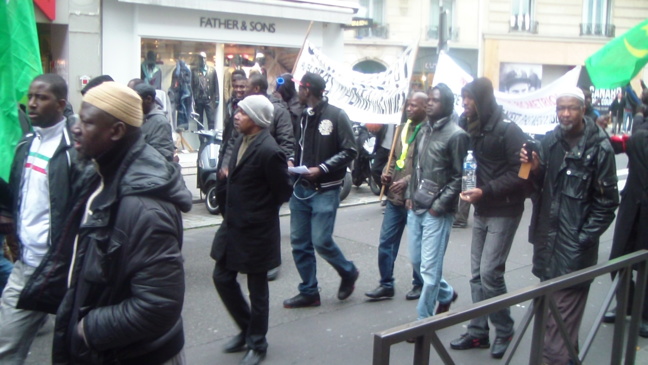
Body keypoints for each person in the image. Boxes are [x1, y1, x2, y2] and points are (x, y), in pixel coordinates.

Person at [53, 82, 191, 364]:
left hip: (139, 355)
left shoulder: (144, 208)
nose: (75, 128)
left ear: (116, 131)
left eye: (86, 121)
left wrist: (86, 329)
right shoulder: (101, 177)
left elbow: (158, 306)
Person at [520, 87, 618, 364]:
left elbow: (608, 202)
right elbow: (537, 189)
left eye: (571, 108)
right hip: (546, 247)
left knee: (556, 334)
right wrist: (535, 168)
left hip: (573, 255)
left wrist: (580, 240)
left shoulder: (599, 147)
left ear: (583, 109)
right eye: (560, 108)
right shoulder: (550, 141)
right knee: (555, 327)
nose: (565, 113)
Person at [0, 74, 81, 364]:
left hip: (66, 271)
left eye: (41, 97)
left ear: (60, 104)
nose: (31, 104)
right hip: (27, 267)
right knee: (5, 346)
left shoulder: (76, 149)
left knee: (75, 350)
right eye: (30, 96)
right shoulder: (25, 144)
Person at [449, 77, 529, 359]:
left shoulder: (508, 131)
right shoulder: (470, 127)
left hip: (505, 209)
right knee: (475, 275)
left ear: (482, 99)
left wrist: (486, 190)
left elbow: (522, 174)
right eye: (462, 97)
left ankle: (504, 329)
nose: (465, 103)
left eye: (469, 98)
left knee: (489, 273)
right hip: (482, 207)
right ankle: (478, 332)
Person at [211, 95, 292, 365]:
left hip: (257, 230)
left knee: (258, 289)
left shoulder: (270, 151)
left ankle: (258, 342)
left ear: (256, 120)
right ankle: (247, 329)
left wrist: (257, 212)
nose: (236, 116)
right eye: (237, 111)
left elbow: (283, 191)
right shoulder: (240, 141)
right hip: (233, 225)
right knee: (222, 277)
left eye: (242, 112)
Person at [283, 72, 359, 308]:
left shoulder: (337, 115)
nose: (297, 92)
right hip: (301, 189)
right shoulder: (303, 116)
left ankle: (348, 271)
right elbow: (299, 146)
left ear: (308, 90)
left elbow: (350, 150)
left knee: (321, 240)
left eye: (300, 88)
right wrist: (292, 161)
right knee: (299, 242)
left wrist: (323, 168)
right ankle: (309, 291)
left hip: (326, 189)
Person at [405, 85, 468, 321]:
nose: (430, 103)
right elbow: (417, 168)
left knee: (429, 270)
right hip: (417, 205)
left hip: (437, 211)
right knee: (417, 261)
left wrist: (438, 206)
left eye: (436, 100)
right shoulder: (422, 130)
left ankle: (423, 320)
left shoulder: (457, 135)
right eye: (428, 99)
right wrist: (409, 196)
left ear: (448, 105)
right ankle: (447, 293)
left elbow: (460, 177)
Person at [364, 93, 427, 301]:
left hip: (414, 198)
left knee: (416, 247)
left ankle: (419, 283)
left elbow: (426, 167)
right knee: (386, 241)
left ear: (425, 108)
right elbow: (395, 157)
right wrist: (386, 172)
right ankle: (386, 284)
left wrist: (407, 181)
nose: (410, 109)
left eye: (415, 106)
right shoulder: (402, 128)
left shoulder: (428, 132)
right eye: (408, 105)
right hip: (394, 196)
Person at [603, 128, 648, 335]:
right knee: (618, 260)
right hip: (632, 209)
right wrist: (595, 125)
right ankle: (626, 303)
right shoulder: (639, 138)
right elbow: (609, 145)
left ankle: (646, 314)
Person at [132, 83, 175, 161]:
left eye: (136, 100)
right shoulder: (140, 118)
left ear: (148, 99)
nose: (133, 104)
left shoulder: (160, 122)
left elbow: (163, 156)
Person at [191, 52, 220, 130]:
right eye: (201, 58)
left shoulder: (212, 71)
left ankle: (211, 140)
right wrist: (192, 100)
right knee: (199, 121)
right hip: (198, 100)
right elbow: (191, 86)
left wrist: (217, 99)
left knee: (211, 120)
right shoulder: (194, 71)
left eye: (204, 58)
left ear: (206, 59)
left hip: (209, 100)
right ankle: (202, 141)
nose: (203, 60)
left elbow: (216, 85)